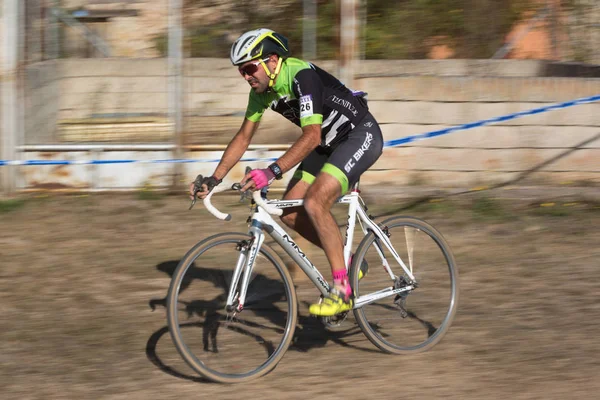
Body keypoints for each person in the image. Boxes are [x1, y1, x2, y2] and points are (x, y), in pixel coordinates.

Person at [190, 28, 383, 316]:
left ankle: (342, 289)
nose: (245, 76)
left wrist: (271, 172)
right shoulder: (261, 93)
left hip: (358, 135)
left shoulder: (300, 76)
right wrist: (214, 179)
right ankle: (350, 261)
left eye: (249, 68)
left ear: (271, 60)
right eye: (241, 71)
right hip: (326, 145)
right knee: (291, 211)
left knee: (315, 202)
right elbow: (243, 137)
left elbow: (312, 136)